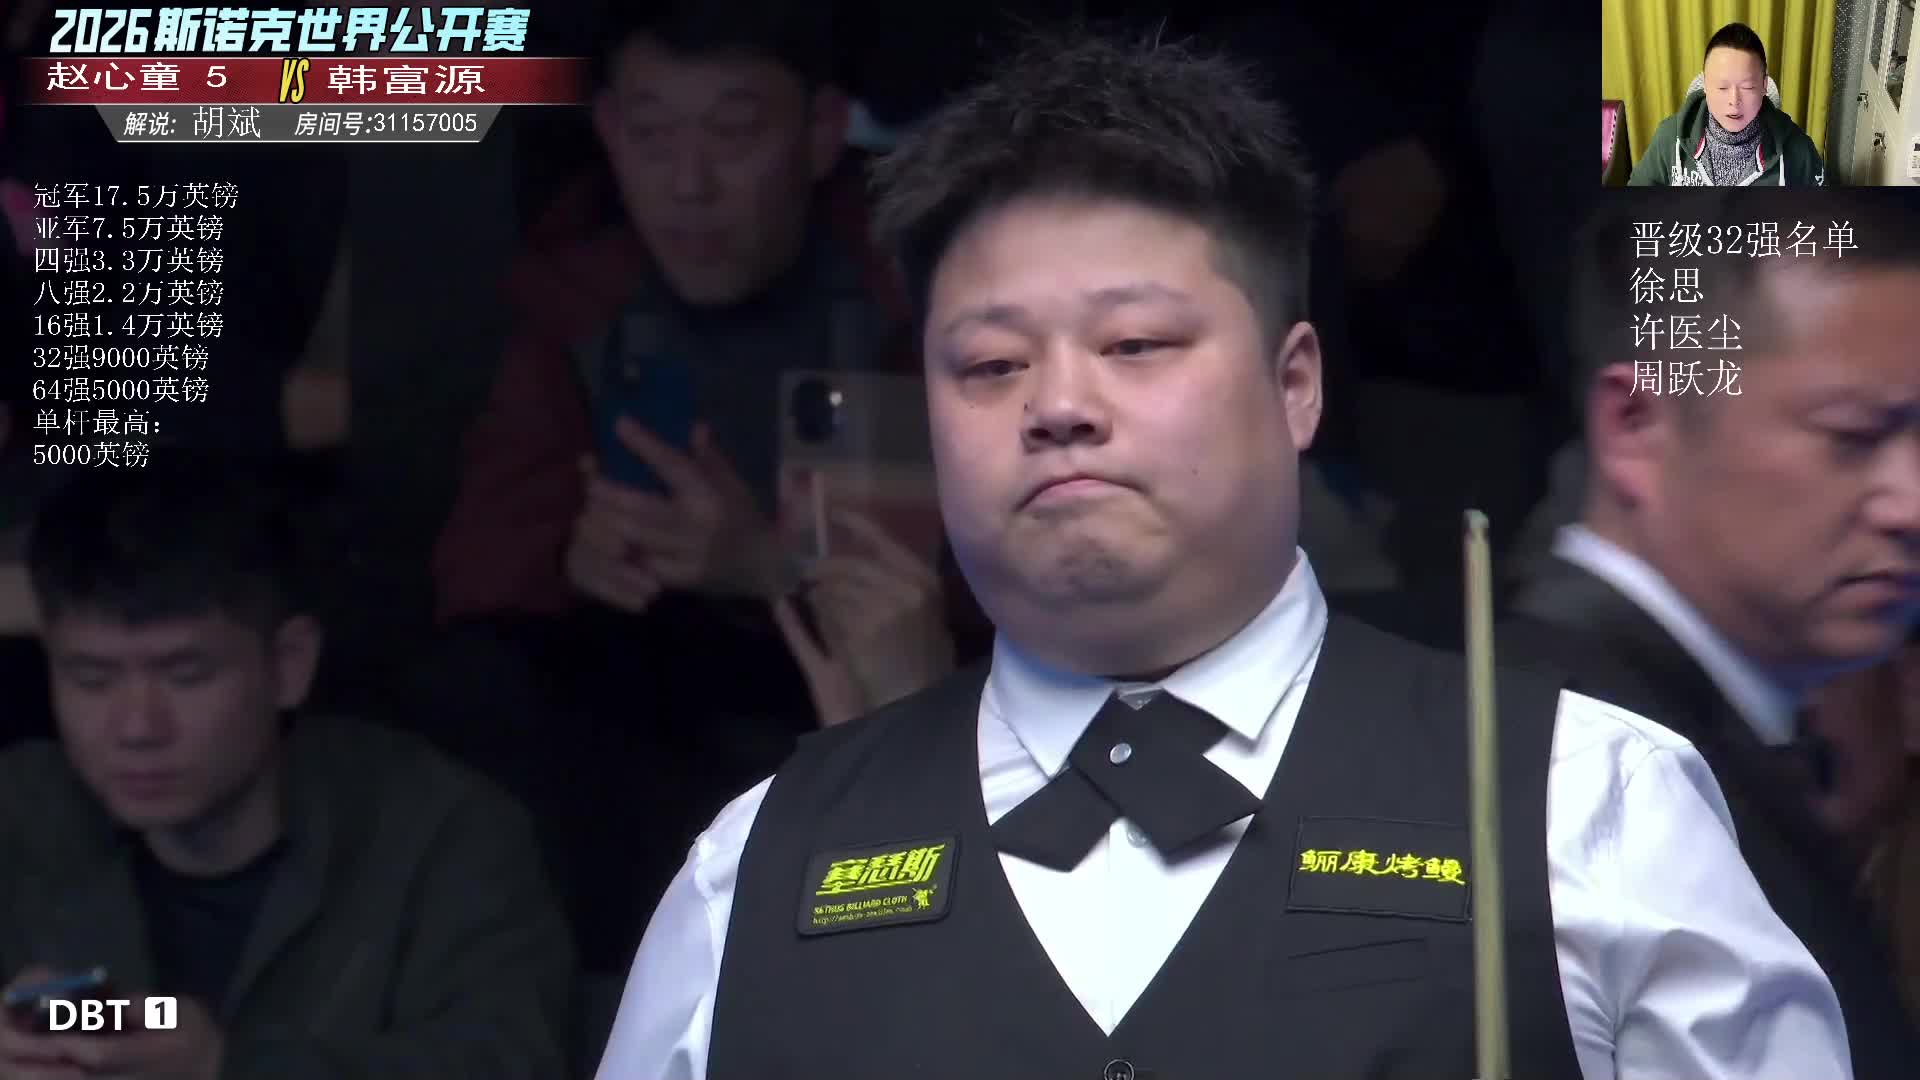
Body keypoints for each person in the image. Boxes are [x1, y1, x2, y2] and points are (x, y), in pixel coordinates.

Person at [594, 28, 1851, 1079]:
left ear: (1295, 384)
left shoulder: (1590, 803)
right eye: (990, 363)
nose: (1058, 404)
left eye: (1135, 344)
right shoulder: (753, 867)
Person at [419, 0, 960, 971]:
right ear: (607, 131)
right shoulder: (575, 297)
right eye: (653, 135)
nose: (688, 183)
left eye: (734, 133)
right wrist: (571, 559)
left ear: (821, 131)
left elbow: (1000, 593)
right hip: (642, 730)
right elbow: (473, 569)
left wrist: (771, 565)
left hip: (870, 710)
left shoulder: (914, 294)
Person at [1503, 186, 1920, 1075]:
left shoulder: (1628, 729)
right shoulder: (1583, 767)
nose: (1910, 504)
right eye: (1852, 436)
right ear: (1637, 423)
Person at [0, 457, 575, 1079]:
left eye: (186, 675)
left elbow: (514, 1063)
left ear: (289, 664)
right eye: (91, 679)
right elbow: (148, 1022)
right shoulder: (20, 816)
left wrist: (228, 1067)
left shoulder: (443, 835)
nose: (137, 727)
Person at [1629, 22, 1824, 187]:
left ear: (1764, 85)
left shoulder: (1797, 149)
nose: (1734, 100)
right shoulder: (1670, 138)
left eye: (1747, 87)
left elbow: (1820, 213)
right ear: (1705, 85)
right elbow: (1635, 204)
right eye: (1722, 87)